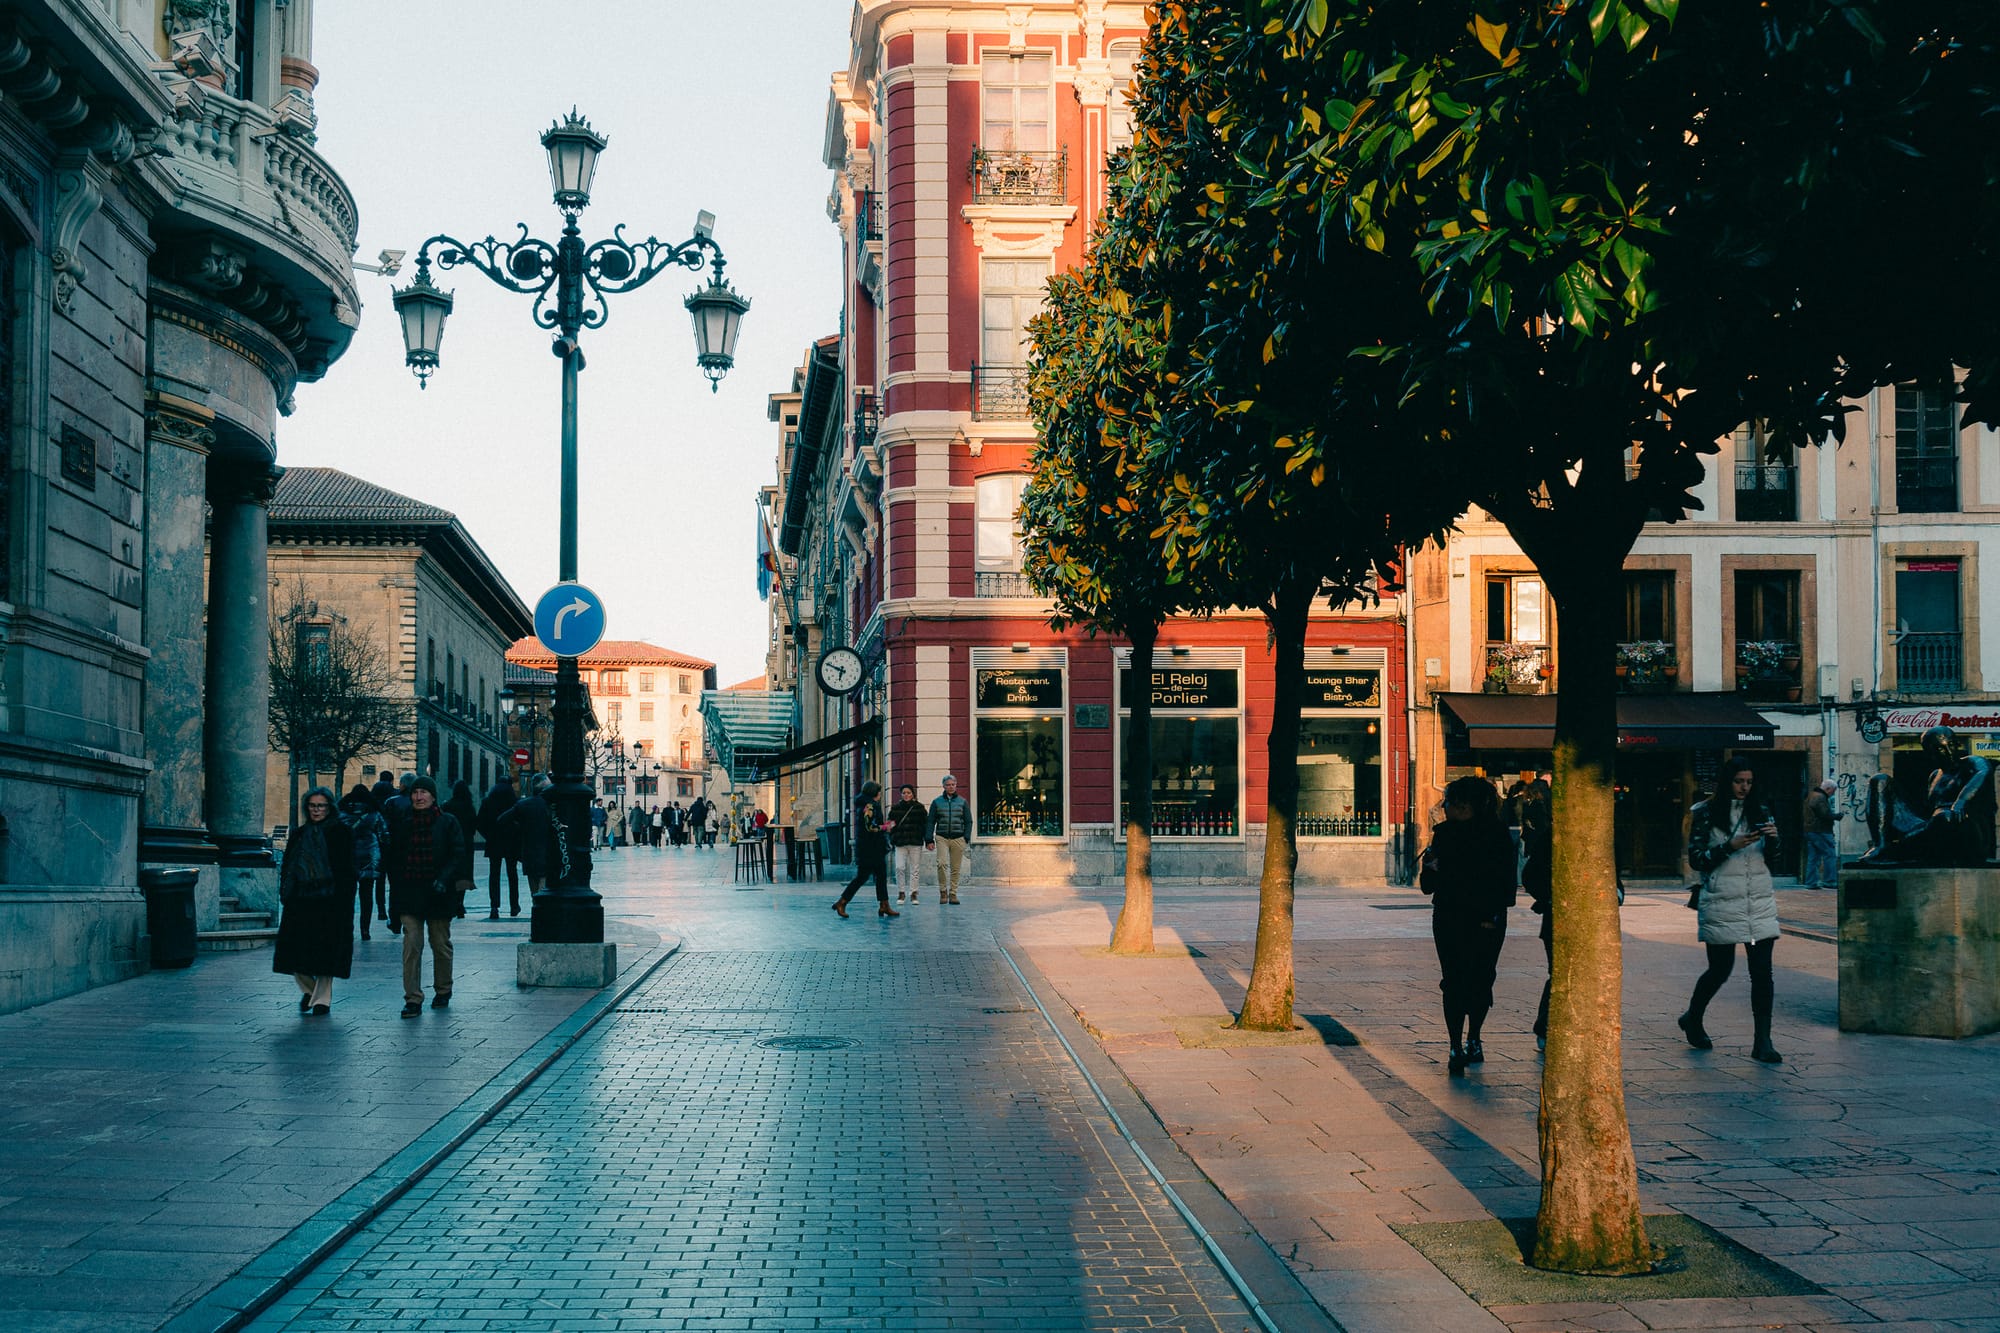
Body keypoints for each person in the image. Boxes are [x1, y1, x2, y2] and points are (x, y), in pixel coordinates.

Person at [1680, 757, 1784, 1064]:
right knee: (1720, 969)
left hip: (1758, 902)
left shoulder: (1760, 810)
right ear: (1727, 781)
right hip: (1722, 900)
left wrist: (1775, 840)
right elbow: (1697, 859)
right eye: (1739, 781)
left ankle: (1762, 1041)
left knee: (1762, 973)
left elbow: (1773, 858)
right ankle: (1693, 1017)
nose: (1744, 787)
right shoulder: (1705, 813)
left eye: (1749, 782)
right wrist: (1730, 846)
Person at [1419, 775, 1516, 1075]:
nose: (1447, 808)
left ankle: (1473, 1036)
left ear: (1471, 806)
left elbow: (1504, 884)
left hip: (1485, 919)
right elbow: (1428, 886)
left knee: (1481, 978)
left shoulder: (1497, 836)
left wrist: (1492, 916)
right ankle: (1454, 1044)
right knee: (1453, 980)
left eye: (1453, 803)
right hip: (1449, 916)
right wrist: (1429, 868)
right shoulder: (1443, 834)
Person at [385, 776, 467, 1017]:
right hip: (410, 892)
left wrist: (444, 879)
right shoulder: (403, 823)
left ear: (433, 796)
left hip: (438, 892)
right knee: (412, 945)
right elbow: (394, 862)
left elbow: (457, 854)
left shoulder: (448, 822)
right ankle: (413, 998)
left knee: (440, 944)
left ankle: (443, 989)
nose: (418, 797)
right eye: (415, 792)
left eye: (423, 792)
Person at [274, 786, 355, 1015]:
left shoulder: (340, 832)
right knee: (294, 954)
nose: (316, 810)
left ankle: (322, 1000)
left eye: (321, 806)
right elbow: (289, 864)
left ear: (329, 807)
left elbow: (347, 869)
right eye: (312, 805)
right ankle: (309, 991)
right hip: (300, 900)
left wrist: (344, 899)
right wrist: (286, 891)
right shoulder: (299, 834)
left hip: (329, 901)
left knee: (326, 954)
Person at [1519, 776, 1554, 1051]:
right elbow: (1530, 875)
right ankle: (1544, 1027)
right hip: (1556, 915)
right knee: (1559, 973)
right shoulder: (1552, 836)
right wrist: (1548, 897)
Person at [833, 781, 897, 919]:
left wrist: (882, 825)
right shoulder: (870, 806)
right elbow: (870, 827)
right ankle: (842, 902)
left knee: (880, 876)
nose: (880, 794)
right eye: (879, 791)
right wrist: (885, 827)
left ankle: (884, 904)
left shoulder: (866, 804)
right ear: (874, 793)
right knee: (863, 877)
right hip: (870, 848)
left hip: (871, 847)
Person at [337, 783, 388, 939]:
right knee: (366, 895)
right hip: (368, 857)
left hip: (347, 857)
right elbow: (384, 835)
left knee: (348, 895)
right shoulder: (373, 813)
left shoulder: (342, 812)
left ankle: (348, 927)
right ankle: (365, 929)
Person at [500, 776, 554, 901]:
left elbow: (502, 820)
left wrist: (519, 829)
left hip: (528, 852)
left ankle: (537, 913)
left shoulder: (523, 805)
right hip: (547, 852)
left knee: (534, 890)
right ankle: (541, 914)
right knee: (543, 888)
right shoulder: (550, 805)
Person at [477, 775, 521, 918]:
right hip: (511, 842)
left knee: (494, 875)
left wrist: (489, 836)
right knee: (512, 874)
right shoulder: (514, 801)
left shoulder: (488, 801)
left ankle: (494, 907)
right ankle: (514, 906)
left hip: (494, 842)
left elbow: (480, 823)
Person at [926, 773, 971, 905]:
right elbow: (930, 822)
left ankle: (953, 893)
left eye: (953, 784)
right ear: (943, 786)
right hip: (942, 837)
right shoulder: (936, 802)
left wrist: (966, 837)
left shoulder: (962, 802)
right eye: (948, 785)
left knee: (956, 867)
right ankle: (943, 892)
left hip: (958, 838)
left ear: (956, 785)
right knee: (942, 863)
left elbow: (968, 821)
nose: (951, 787)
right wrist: (929, 839)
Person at [886, 783, 929, 904]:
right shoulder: (895, 808)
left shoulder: (919, 808)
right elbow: (890, 824)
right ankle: (901, 892)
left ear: (913, 794)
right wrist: (892, 837)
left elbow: (925, 825)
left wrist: (926, 839)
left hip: (915, 841)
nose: (906, 795)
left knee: (915, 869)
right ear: (901, 794)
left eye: (908, 793)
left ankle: (914, 893)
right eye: (904, 793)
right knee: (899, 867)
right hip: (900, 842)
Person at [443, 779, 479, 919]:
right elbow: (474, 826)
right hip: (467, 845)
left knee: (452, 872)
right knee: (464, 874)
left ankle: (452, 903)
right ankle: (460, 903)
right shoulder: (469, 807)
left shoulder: (447, 806)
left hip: (450, 844)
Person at [1802, 778, 1842, 890]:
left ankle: (1810, 882)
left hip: (1810, 831)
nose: (1833, 794)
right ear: (1828, 789)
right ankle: (1829, 881)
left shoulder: (1811, 795)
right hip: (1821, 831)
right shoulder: (1820, 798)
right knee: (1830, 855)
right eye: (1833, 791)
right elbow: (1824, 814)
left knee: (1813, 857)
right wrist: (1837, 816)